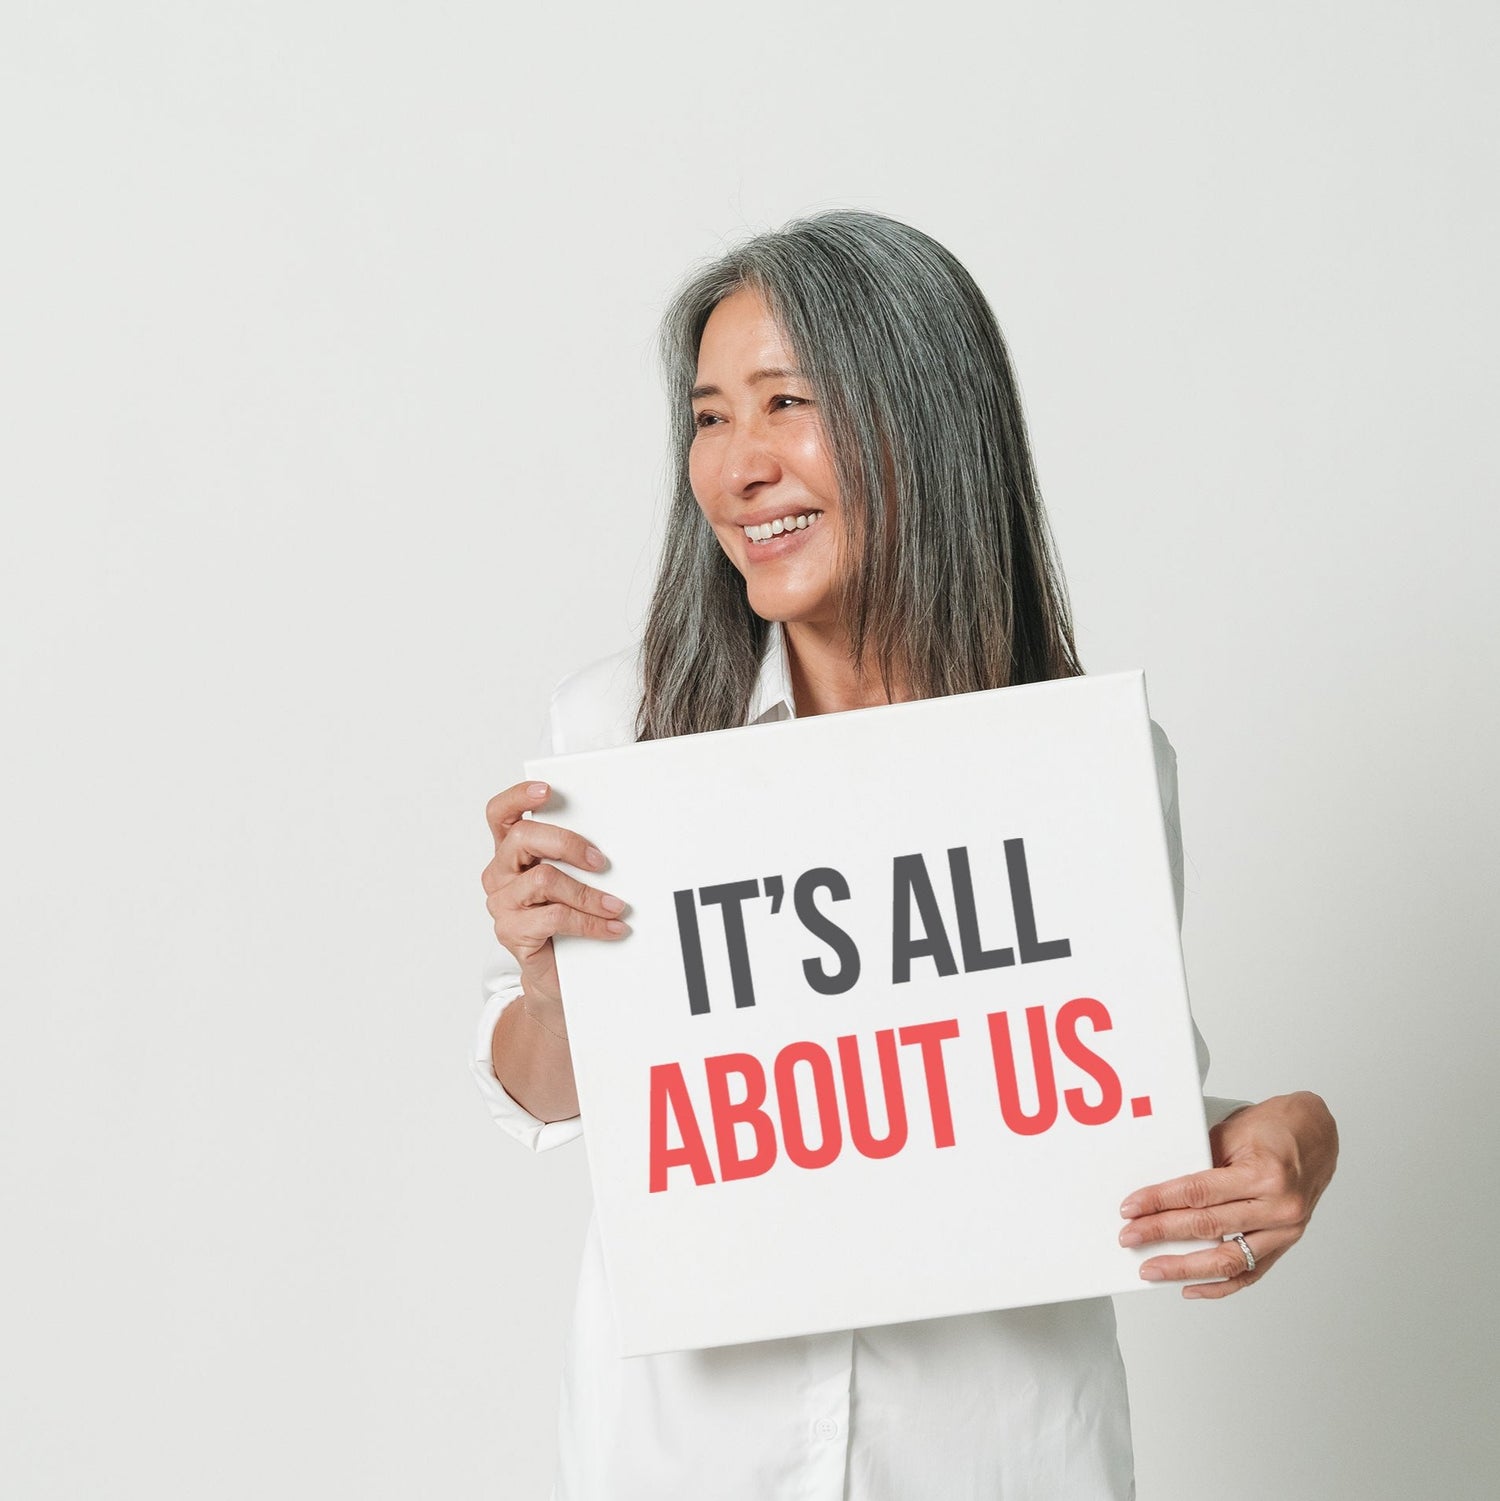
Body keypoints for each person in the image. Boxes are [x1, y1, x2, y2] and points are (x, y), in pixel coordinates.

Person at [473, 210, 1339, 1499]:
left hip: (992, 1453)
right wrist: (556, 990)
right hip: (690, 1456)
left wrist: (1293, 1141)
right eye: (711, 417)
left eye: (790, 403)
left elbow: (1041, 1095)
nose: (739, 466)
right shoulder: (617, 730)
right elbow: (543, 1092)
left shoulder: (1091, 766)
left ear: (925, 426)